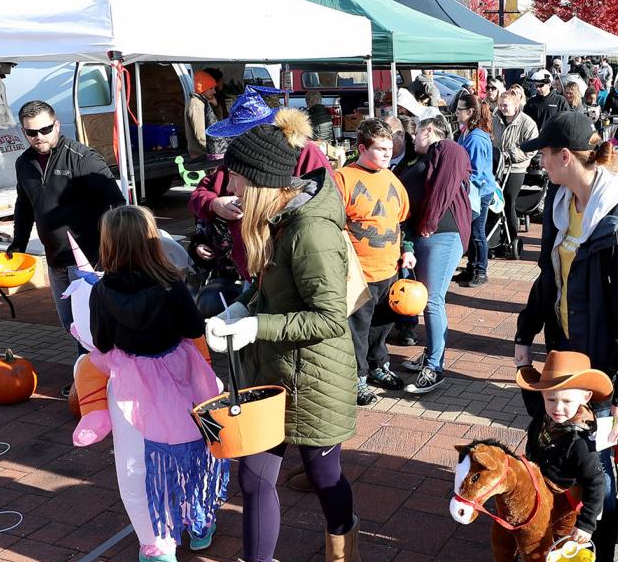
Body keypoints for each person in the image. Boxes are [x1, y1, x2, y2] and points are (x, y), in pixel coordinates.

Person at [185, 121, 359, 562]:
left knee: (324, 473)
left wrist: (253, 325)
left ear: (260, 183)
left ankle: (343, 559)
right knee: (257, 479)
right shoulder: (279, 220)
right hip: (274, 372)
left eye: (234, 181)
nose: (228, 191)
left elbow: (330, 317)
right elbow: (271, 291)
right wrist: (243, 306)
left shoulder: (311, 231)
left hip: (316, 378)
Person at [514, 111, 618, 562]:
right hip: (565, 354)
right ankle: (555, 552)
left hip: (605, 369)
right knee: (559, 457)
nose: (542, 164)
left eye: (545, 156)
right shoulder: (559, 202)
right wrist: (527, 328)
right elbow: (547, 276)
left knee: (598, 471)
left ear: (565, 156)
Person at [89, 205, 228, 562]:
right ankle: (199, 526)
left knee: (136, 467)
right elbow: (194, 326)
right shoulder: (172, 283)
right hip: (182, 376)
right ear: (153, 241)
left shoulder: (101, 291)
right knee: (196, 450)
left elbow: (101, 342)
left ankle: (159, 548)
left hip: (131, 387)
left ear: (109, 244)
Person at [9, 101, 125, 347]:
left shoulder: (82, 158)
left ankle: (93, 382)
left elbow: (116, 204)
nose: (39, 137)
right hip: (55, 260)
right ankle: (85, 378)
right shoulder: (23, 164)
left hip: (88, 259)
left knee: (92, 325)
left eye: (45, 129)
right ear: (23, 131)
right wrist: (18, 241)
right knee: (71, 326)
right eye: (31, 132)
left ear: (57, 125)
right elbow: (25, 204)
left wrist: (110, 249)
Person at [512, 352, 609, 562]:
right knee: (540, 540)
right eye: (551, 399)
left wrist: (587, 524)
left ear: (585, 398)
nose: (557, 407)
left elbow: (595, 482)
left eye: (566, 401)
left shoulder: (581, 442)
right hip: (542, 491)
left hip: (566, 500)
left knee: (565, 551)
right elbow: (533, 446)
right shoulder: (543, 420)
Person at [188, 105, 331, 280]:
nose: (232, 187)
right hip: (248, 267)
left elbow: (323, 201)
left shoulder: (305, 153)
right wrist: (214, 204)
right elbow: (199, 194)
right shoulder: (239, 156)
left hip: (280, 266)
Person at [336, 118, 413, 407]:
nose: (386, 154)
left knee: (382, 324)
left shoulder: (392, 179)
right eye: (380, 148)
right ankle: (357, 378)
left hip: (389, 269)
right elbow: (333, 223)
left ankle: (379, 365)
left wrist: (407, 249)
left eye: (389, 148)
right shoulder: (344, 178)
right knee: (357, 328)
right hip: (358, 272)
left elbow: (401, 221)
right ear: (362, 148)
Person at [397, 116, 472, 394]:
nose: (413, 138)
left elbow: (444, 187)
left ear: (428, 130)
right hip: (425, 234)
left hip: (443, 233)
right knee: (425, 298)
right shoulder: (425, 158)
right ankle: (431, 354)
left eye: (417, 133)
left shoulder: (449, 147)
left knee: (433, 300)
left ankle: (435, 366)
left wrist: (429, 222)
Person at [455, 94, 499, 288]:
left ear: (470, 112)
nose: (456, 113)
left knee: (477, 232)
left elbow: (476, 171)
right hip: (472, 190)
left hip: (479, 192)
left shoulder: (476, 138)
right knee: (470, 231)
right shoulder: (466, 132)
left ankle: (481, 270)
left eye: (459, 109)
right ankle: (471, 267)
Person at [491, 89, 538, 261]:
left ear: (516, 105)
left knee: (508, 201)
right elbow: (491, 138)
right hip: (498, 167)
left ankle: (511, 237)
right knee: (494, 202)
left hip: (516, 168)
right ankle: (495, 239)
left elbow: (531, 147)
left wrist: (510, 154)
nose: (503, 109)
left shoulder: (527, 123)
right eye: (501, 105)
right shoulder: (495, 120)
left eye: (506, 105)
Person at [185, 70, 226, 160]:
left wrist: (216, 106)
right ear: (203, 88)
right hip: (202, 157)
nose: (214, 92)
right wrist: (217, 152)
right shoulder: (196, 104)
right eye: (211, 88)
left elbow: (218, 123)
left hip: (207, 155)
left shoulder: (203, 103)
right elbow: (201, 136)